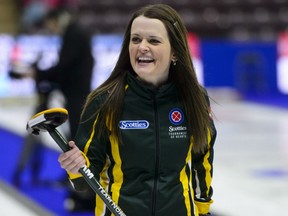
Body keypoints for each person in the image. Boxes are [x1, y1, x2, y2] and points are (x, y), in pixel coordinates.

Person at [58, 4, 216, 216]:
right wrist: (76, 167)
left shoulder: (193, 98)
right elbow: (85, 179)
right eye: (135, 39)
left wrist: (202, 208)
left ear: (175, 52)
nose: (142, 47)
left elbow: (202, 159)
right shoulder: (104, 100)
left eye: (153, 40)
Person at [12, 7, 95, 212]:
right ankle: (73, 179)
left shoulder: (73, 34)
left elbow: (63, 67)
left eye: (51, 25)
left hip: (78, 96)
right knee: (75, 137)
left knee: (78, 139)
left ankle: (83, 187)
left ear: (57, 20)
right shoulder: (75, 33)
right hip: (76, 94)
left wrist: (37, 74)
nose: (51, 29)